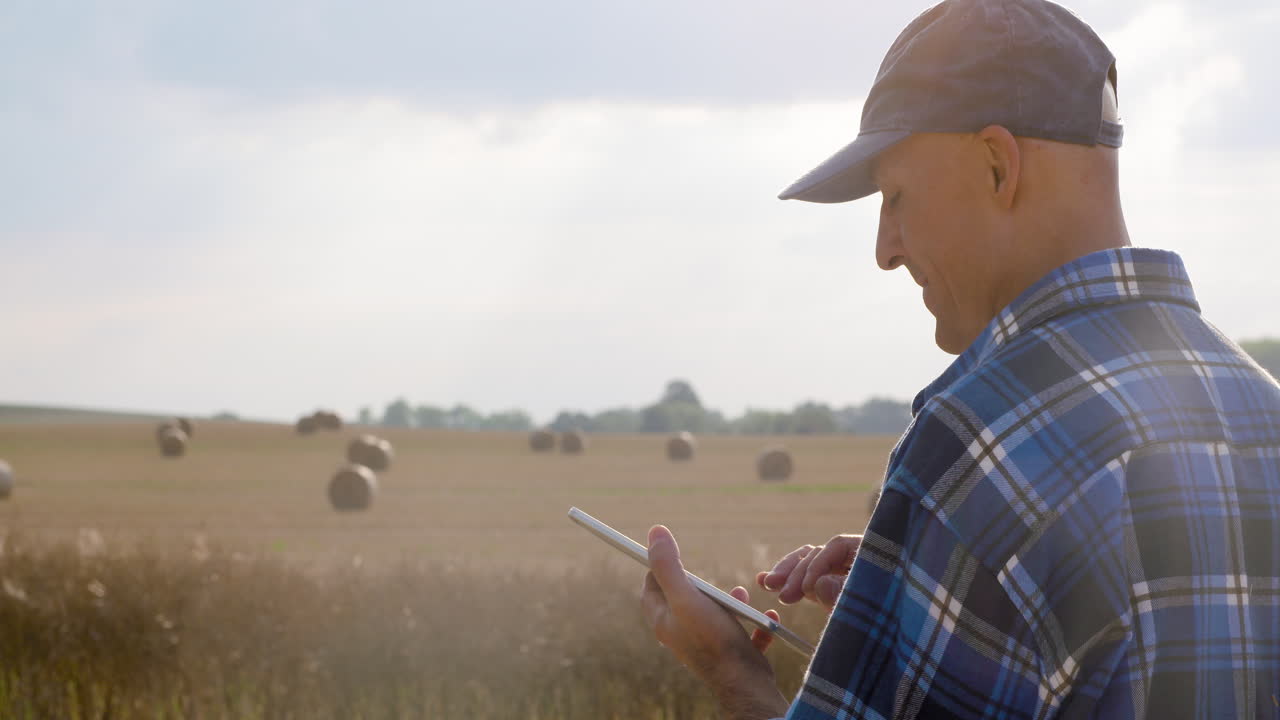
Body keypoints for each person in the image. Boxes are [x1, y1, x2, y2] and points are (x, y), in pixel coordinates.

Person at [638, 0, 1280, 718]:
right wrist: (937, 572)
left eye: (896, 196)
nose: (885, 249)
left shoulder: (978, 452)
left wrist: (732, 672)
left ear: (997, 166)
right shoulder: (1264, 409)